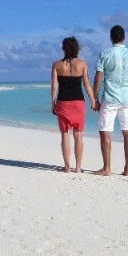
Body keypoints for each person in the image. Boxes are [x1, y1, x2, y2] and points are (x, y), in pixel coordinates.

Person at [93, 25, 128, 176]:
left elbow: (98, 76)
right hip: (127, 98)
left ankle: (107, 168)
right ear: (124, 37)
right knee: (127, 131)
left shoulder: (105, 53)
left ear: (111, 38)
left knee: (105, 131)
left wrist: (95, 97)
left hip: (110, 97)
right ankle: (127, 169)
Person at [51, 37, 96, 173]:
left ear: (64, 49)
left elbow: (54, 86)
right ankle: (78, 167)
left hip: (63, 102)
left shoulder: (57, 65)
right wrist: (93, 100)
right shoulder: (82, 64)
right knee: (78, 135)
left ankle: (66, 166)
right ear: (77, 48)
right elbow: (87, 84)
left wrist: (53, 103)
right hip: (78, 103)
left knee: (65, 134)